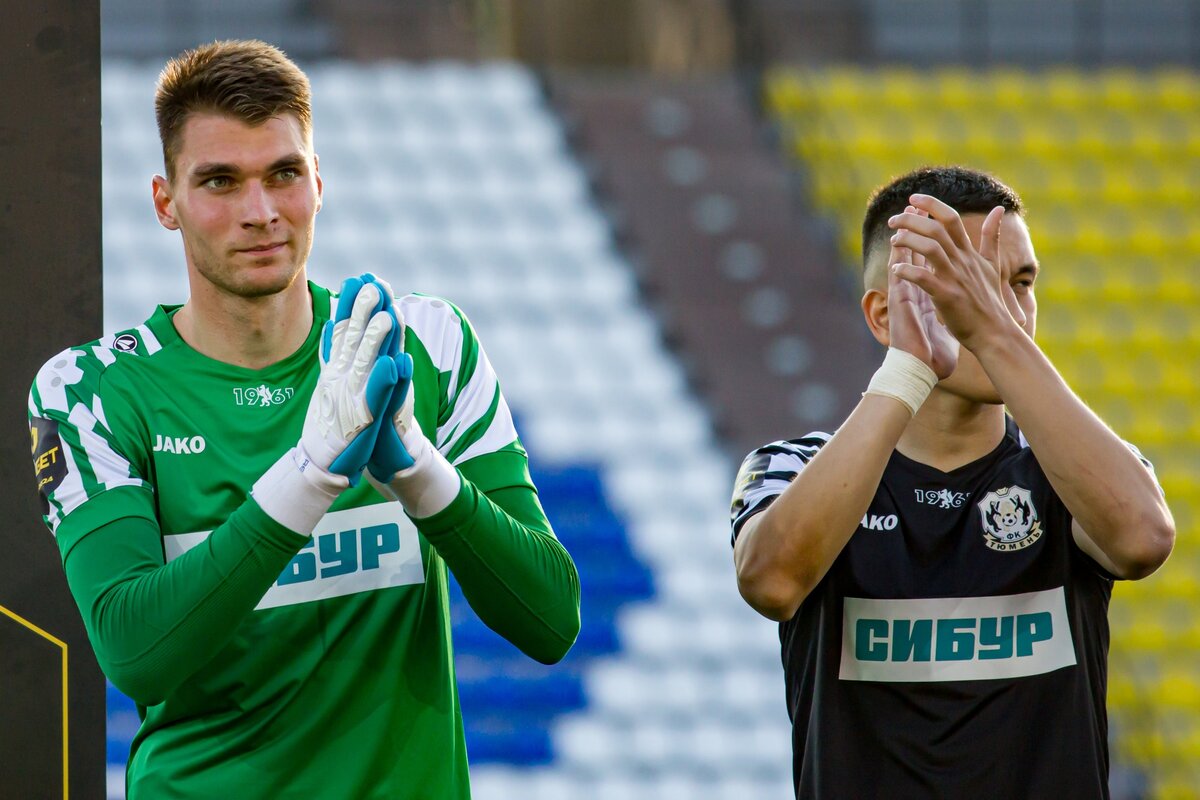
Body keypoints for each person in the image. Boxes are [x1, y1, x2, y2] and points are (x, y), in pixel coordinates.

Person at [27, 40, 580, 799]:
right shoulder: (90, 391)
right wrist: (308, 478)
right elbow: (133, 652)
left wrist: (420, 473)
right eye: (219, 181)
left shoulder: (425, 344)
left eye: (282, 174)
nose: (259, 213)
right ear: (166, 201)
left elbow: (550, 620)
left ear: (317, 183)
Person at [729, 166, 1174, 798]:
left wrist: (989, 332)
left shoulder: (1068, 471)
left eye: (1019, 285)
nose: (1005, 312)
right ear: (884, 314)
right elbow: (772, 581)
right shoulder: (794, 467)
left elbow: (1143, 540)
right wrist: (909, 371)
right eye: (963, 288)